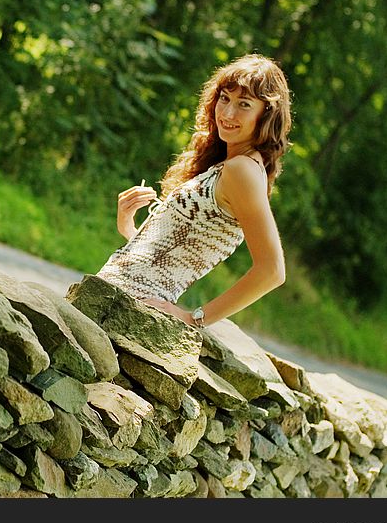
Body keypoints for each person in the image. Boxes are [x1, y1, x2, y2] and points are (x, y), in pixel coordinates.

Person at [96, 53, 292, 330]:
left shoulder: (243, 170)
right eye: (224, 98)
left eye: (244, 104)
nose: (227, 114)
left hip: (126, 309)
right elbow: (172, 261)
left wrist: (194, 317)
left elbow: (272, 270)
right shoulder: (232, 165)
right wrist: (129, 228)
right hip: (117, 296)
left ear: (266, 115)